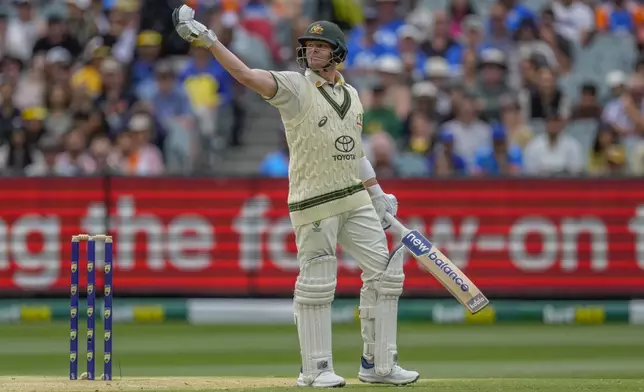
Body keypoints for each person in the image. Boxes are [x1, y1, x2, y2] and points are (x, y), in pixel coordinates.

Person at [173, 6, 419, 388]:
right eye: (309, 46)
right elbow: (245, 74)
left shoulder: (352, 95)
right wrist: (212, 41)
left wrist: (377, 192)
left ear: (337, 53)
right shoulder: (294, 86)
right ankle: (315, 369)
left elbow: (355, 151)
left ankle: (379, 365)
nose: (312, 52)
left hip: (353, 197)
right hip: (313, 200)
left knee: (387, 275)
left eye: (321, 46)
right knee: (319, 281)